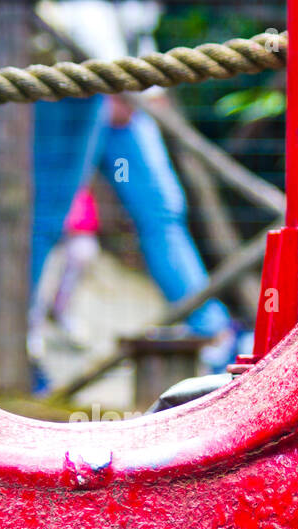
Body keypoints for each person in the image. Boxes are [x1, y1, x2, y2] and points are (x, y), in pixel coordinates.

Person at [29, 0, 239, 390]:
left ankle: (214, 335)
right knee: (47, 219)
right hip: (74, 81)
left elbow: (135, 25)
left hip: (125, 94)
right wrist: (119, 82)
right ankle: (25, 348)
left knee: (163, 211)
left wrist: (140, 84)